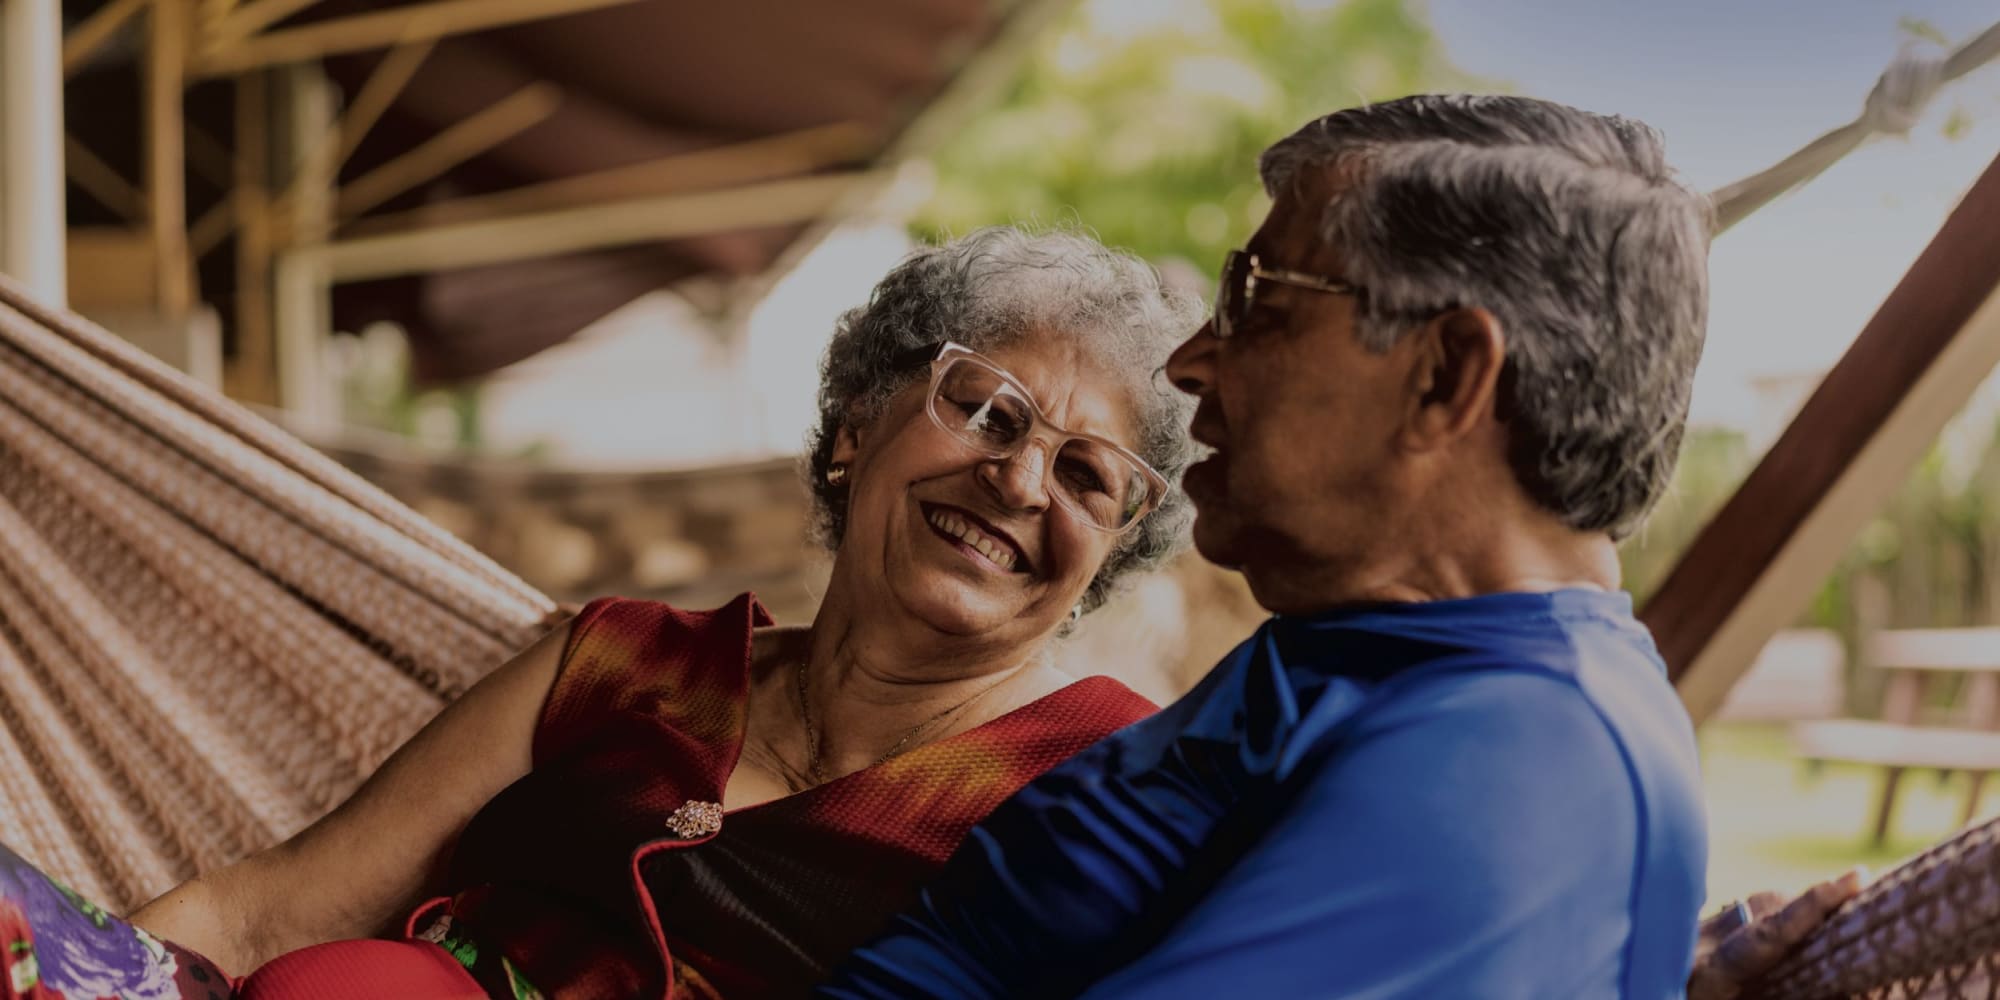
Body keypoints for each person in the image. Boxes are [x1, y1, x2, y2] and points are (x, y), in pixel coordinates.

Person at [0, 226, 1206, 1000]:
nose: (1017, 478)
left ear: (1100, 559)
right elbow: (266, 909)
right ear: (856, 428)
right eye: (986, 411)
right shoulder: (628, 662)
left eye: (1087, 476)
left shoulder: (1099, 776)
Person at [821, 95, 1758, 998]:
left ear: (1445, 377)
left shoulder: (1525, 763)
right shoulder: (1366, 658)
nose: (1192, 363)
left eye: (1255, 301)